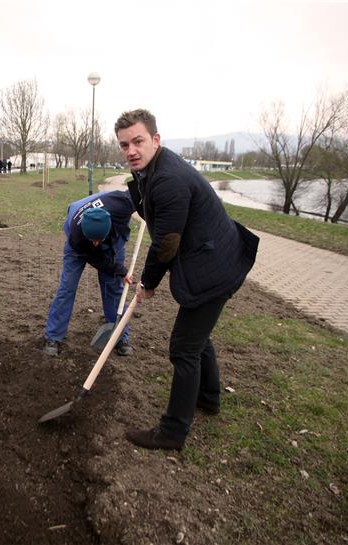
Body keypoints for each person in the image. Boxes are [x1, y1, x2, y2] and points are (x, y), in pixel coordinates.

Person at [115, 109, 259, 451]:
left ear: (155, 139)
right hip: (214, 257)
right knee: (197, 338)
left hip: (215, 266)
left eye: (138, 141)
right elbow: (156, 218)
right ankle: (208, 398)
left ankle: (172, 432)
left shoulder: (168, 180)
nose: (131, 150)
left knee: (183, 347)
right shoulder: (154, 171)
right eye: (124, 145)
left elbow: (166, 243)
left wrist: (147, 284)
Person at [44, 191, 135, 358]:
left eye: (98, 240)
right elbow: (98, 260)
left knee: (114, 288)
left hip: (113, 241)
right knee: (67, 288)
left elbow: (142, 194)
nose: (95, 244)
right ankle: (53, 336)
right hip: (79, 249)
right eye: (92, 240)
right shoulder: (77, 235)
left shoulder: (122, 205)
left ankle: (120, 336)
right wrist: (121, 270)